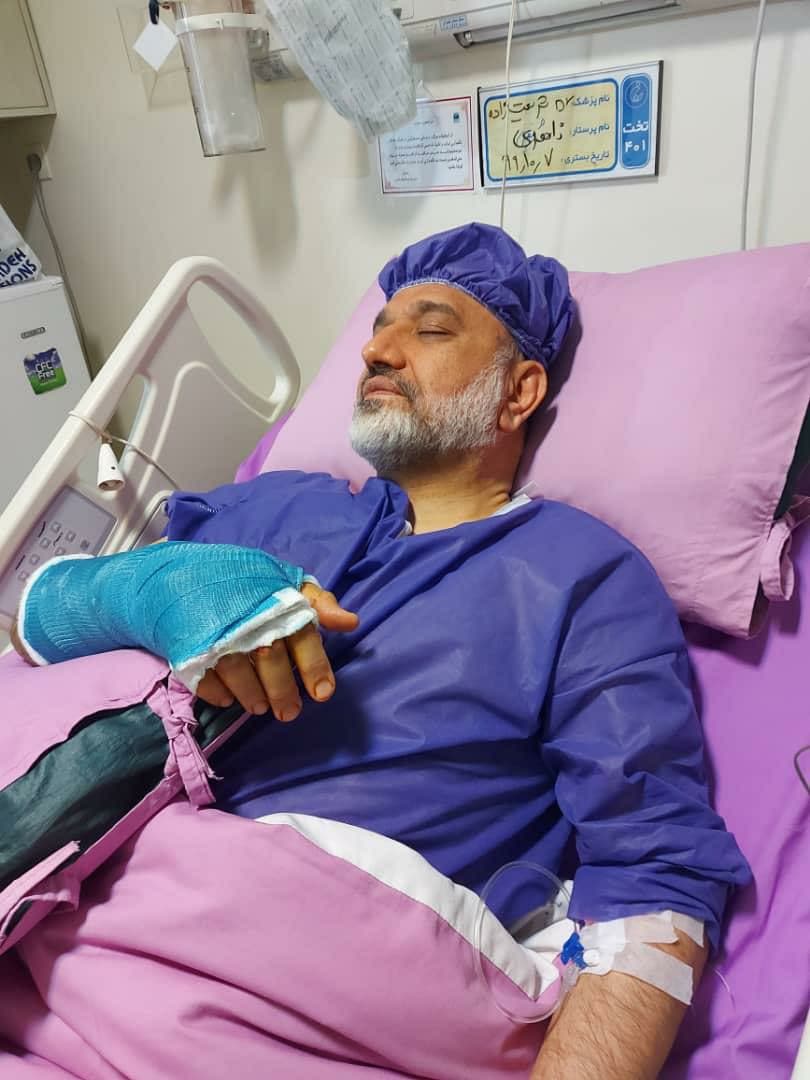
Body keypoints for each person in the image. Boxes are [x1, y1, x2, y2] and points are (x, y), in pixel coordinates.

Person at [12, 222, 749, 1079]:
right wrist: (162, 588)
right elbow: (36, 618)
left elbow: (655, 873)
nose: (378, 351)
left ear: (519, 393)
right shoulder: (276, 503)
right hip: (65, 889)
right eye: (378, 329)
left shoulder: (582, 575)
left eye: (429, 329)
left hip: (287, 981)